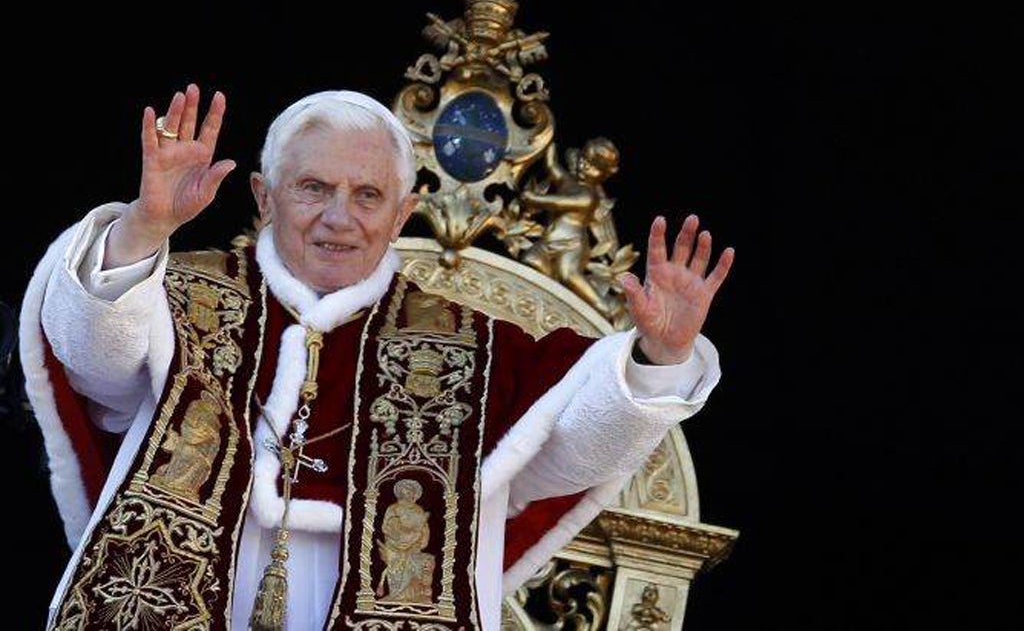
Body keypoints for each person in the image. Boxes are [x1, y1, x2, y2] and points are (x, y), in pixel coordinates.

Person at [21, 84, 734, 630]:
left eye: (368, 196)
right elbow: (94, 364)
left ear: (401, 212)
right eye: (313, 188)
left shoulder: (474, 348)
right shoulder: (179, 294)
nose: (340, 217)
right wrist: (145, 229)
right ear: (265, 197)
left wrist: (659, 358)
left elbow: (569, 454)